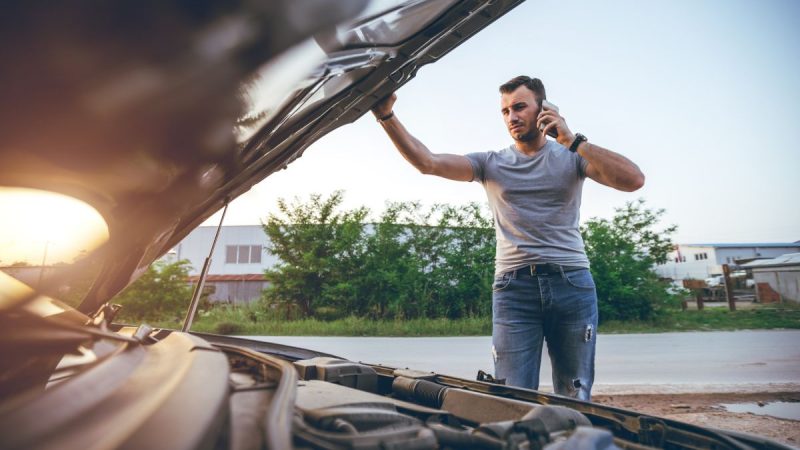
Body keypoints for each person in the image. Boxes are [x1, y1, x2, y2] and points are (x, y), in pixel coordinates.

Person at [371, 76, 644, 400]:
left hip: (571, 283)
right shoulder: (491, 163)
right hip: (514, 290)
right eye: (505, 111)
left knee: (575, 395)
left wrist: (573, 140)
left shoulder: (572, 157)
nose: (511, 117)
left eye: (519, 107)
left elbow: (633, 180)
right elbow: (427, 162)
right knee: (510, 398)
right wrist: (386, 117)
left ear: (544, 110)